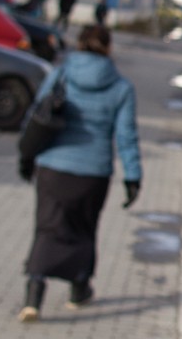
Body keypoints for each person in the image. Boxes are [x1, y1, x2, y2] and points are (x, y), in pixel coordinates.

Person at [17, 24, 141, 321]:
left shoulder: (61, 73)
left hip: (53, 166)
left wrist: (26, 154)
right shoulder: (121, 87)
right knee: (84, 229)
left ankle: (34, 296)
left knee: (47, 226)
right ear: (108, 48)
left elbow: (37, 113)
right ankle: (78, 290)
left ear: (80, 43)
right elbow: (126, 136)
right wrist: (133, 176)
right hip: (93, 172)